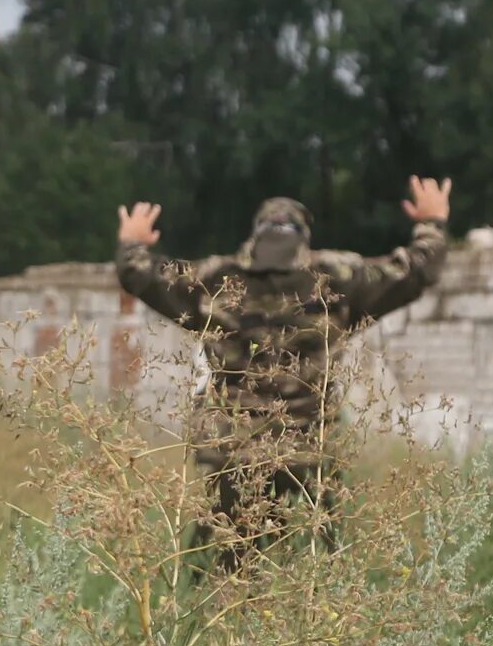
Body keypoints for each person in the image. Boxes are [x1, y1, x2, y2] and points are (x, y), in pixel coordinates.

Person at [115, 180, 452, 555]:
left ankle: (210, 611)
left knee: (223, 569)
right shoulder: (337, 277)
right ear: (304, 236)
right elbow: (417, 270)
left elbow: (138, 274)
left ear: (255, 234)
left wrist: (133, 240)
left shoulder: (213, 280)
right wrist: (432, 221)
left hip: (230, 455)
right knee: (311, 571)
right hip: (307, 451)